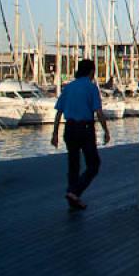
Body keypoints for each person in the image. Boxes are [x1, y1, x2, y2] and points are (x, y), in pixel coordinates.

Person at [50, 59, 110, 210]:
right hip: (85, 128)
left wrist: (55, 133)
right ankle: (74, 192)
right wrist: (106, 130)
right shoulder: (91, 88)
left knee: (73, 164)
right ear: (91, 71)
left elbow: (59, 112)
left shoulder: (69, 87)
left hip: (69, 128)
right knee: (93, 164)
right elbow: (98, 111)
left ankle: (73, 196)